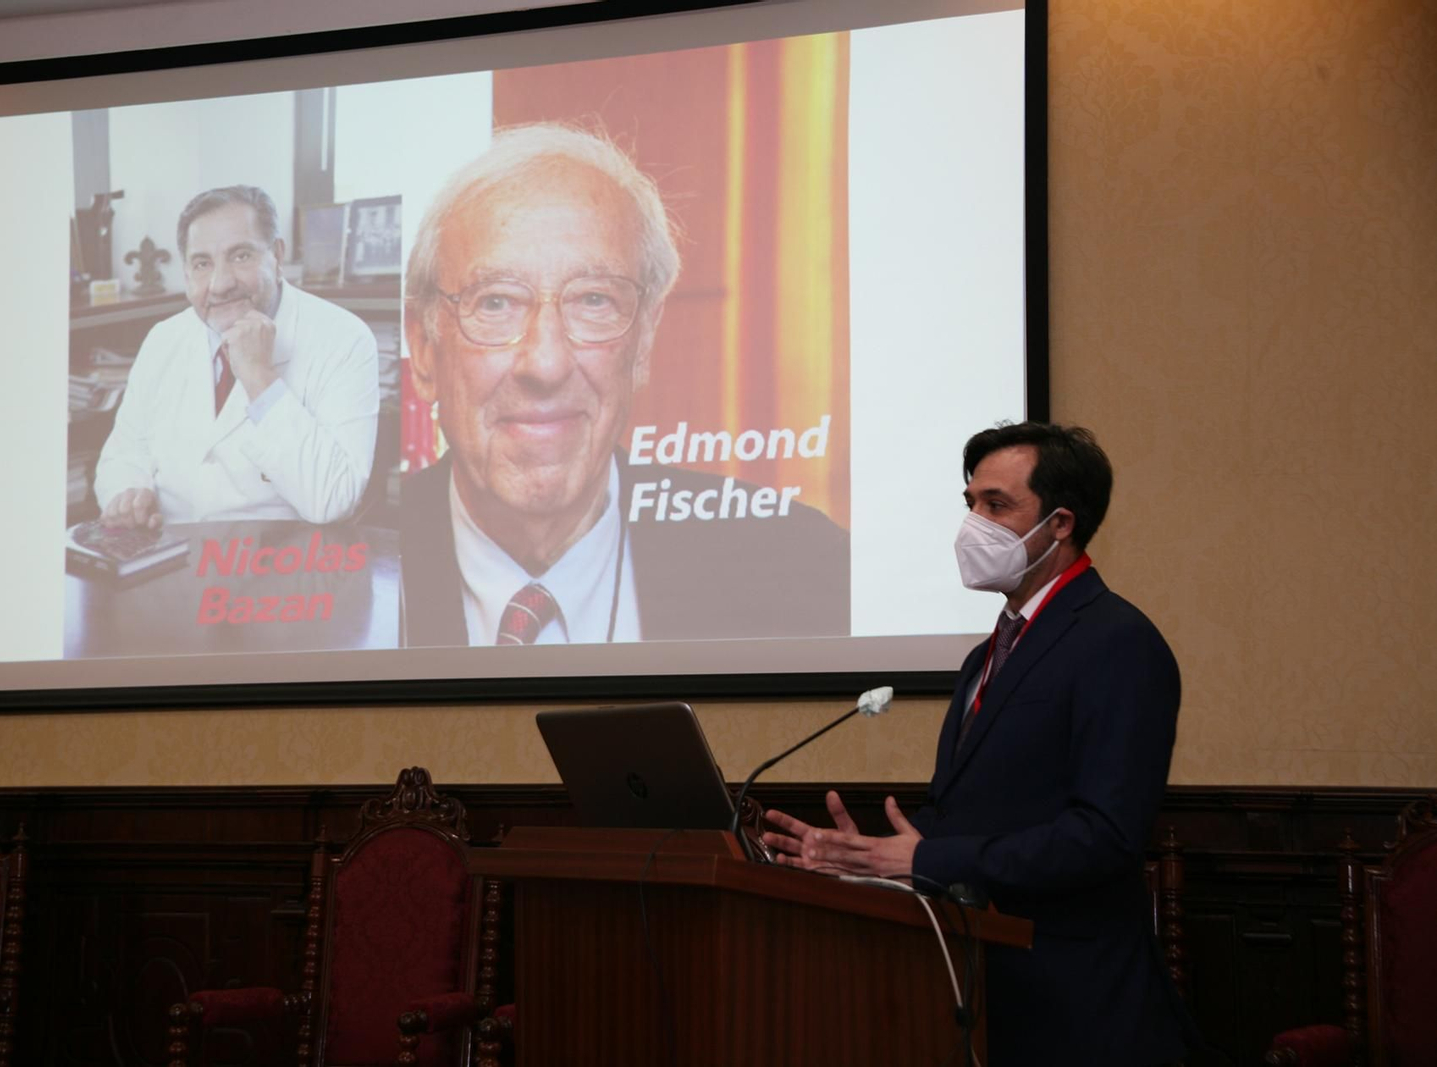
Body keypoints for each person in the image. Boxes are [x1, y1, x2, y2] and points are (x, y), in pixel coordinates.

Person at [763, 422, 1192, 1065]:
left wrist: (925, 861)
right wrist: (866, 859)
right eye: (971, 504)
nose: (974, 523)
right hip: (981, 986)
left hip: (1076, 1003)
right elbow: (975, 811)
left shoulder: (1118, 643)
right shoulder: (984, 656)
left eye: (997, 505)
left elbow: (1105, 836)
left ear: (1060, 524)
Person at [400, 123, 848, 646]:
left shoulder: (804, 566)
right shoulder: (360, 563)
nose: (545, 363)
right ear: (425, 350)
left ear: (644, 341)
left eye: (594, 300)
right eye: (496, 302)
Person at [93, 185, 380, 527]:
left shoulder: (344, 338)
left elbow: (333, 498)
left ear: (277, 255)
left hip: (279, 565)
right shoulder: (163, 339)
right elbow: (124, 453)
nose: (220, 283)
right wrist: (128, 495)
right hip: (167, 556)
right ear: (186, 273)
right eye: (202, 264)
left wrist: (260, 378)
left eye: (241, 256)